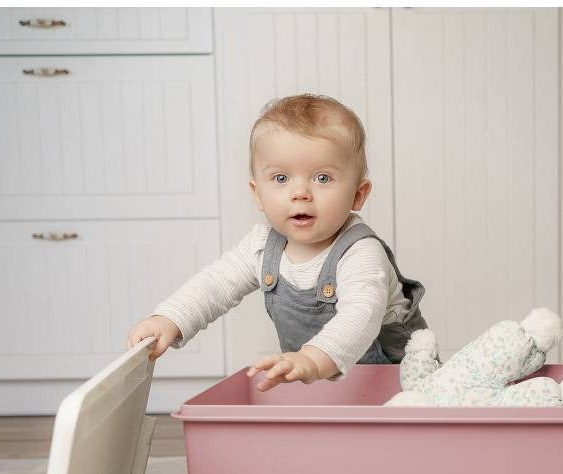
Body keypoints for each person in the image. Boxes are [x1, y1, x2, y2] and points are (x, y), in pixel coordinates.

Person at [126, 93, 428, 392]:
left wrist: (311, 358)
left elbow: (361, 316)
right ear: (258, 193)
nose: (300, 193)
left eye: (322, 178)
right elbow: (216, 284)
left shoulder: (360, 252)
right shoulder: (263, 245)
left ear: (358, 195)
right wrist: (169, 318)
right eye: (281, 178)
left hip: (398, 389)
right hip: (328, 382)